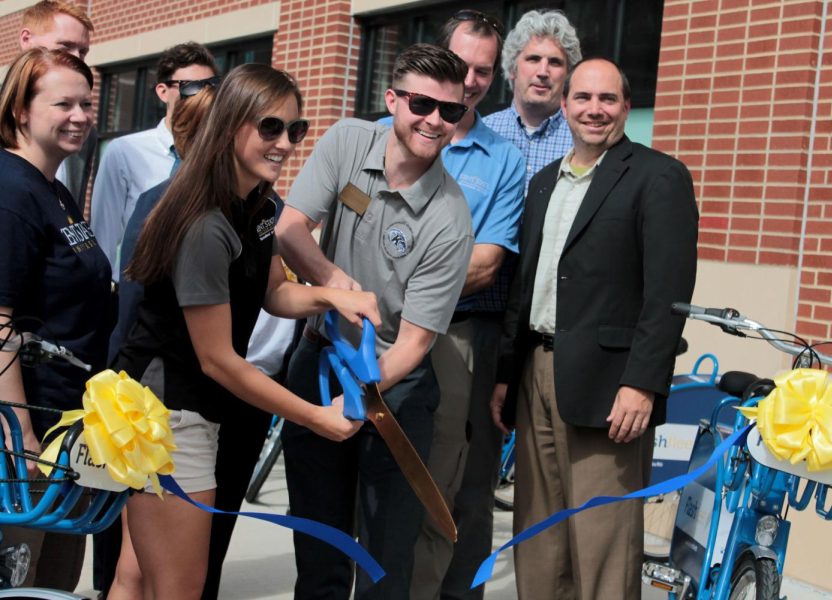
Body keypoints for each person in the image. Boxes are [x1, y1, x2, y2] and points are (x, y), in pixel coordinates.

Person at [105, 63, 380, 600]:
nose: (285, 143)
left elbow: (274, 292)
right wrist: (313, 417)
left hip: (169, 407)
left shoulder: (258, 204)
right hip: (168, 417)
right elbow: (218, 360)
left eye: (295, 130)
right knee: (179, 588)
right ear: (232, 125)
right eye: (269, 127)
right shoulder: (205, 224)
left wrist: (332, 293)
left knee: (134, 576)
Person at [490, 58, 699, 599]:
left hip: (610, 385)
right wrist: (505, 376)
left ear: (626, 108)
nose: (594, 110)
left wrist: (643, 382)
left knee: (601, 537)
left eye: (608, 99)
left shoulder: (658, 176)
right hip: (537, 371)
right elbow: (524, 289)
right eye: (582, 98)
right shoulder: (542, 184)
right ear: (564, 105)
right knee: (537, 531)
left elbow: (668, 296)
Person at [275, 43, 473, 599]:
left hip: (393, 388)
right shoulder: (346, 141)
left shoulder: (450, 218)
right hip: (317, 359)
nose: (434, 120)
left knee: (386, 560)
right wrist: (334, 284)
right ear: (392, 100)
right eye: (421, 103)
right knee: (318, 545)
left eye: (450, 111)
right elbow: (291, 229)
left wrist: (357, 398)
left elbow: (413, 344)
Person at [379, 12, 525, 600]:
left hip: (456, 335)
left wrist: (394, 286)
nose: (468, 81)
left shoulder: (503, 158)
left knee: (441, 480)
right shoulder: (378, 134)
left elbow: (487, 263)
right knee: (371, 472)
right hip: (370, 329)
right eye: (461, 64)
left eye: (484, 72)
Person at [0, 47, 112, 591]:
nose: (80, 116)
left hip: (69, 432)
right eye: (63, 103)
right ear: (21, 110)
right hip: (31, 435)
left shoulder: (54, 189)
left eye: (87, 104)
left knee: (58, 584)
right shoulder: (10, 190)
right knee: (22, 584)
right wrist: (17, 433)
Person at [90, 42, 218, 279]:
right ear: (162, 91)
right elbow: (104, 234)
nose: (203, 95)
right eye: (191, 87)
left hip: (200, 290)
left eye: (211, 86)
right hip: (136, 292)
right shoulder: (125, 151)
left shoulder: (218, 155)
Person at [483, 9, 581, 187]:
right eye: (533, 59)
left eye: (555, 62)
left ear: (568, 75)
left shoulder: (581, 140)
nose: (543, 72)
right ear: (513, 69)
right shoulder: (482, 131)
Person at [18, 0, 96, 213]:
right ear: (27, 39)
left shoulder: (84, 132)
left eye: (83, 52)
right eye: (65, 47)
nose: (76, 58)